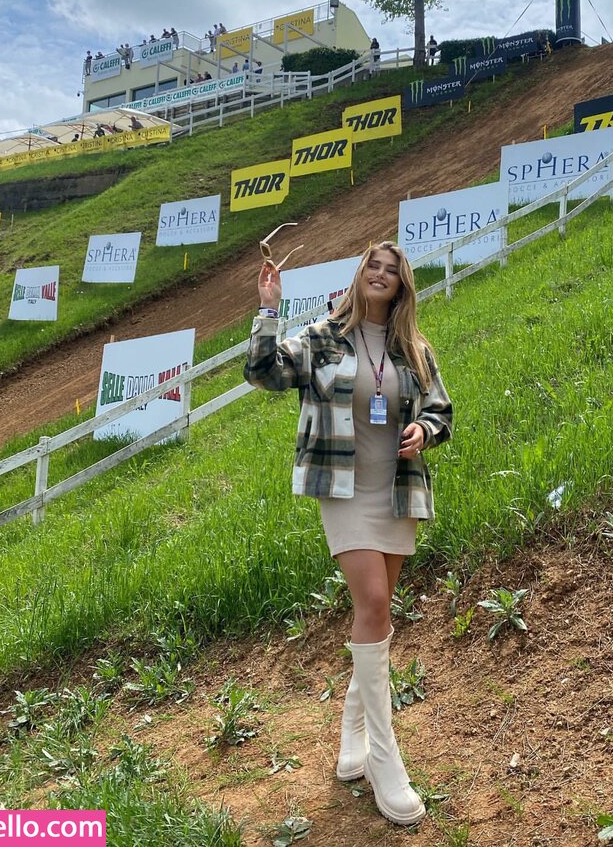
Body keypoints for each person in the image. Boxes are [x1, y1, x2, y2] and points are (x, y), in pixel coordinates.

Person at [244, 242, 453, 827]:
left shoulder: (414, 349)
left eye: (392, 270)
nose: (380, 275)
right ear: (359, 276)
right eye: (372, 267)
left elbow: (441, 410)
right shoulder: (321, 339)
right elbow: (263, 373)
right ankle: (386, 760)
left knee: (377, 617)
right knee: (375, 604)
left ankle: (352, 736)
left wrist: (423, 430)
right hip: (343, 491)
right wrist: (268, 310)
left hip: (397, 491)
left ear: (402, 285)